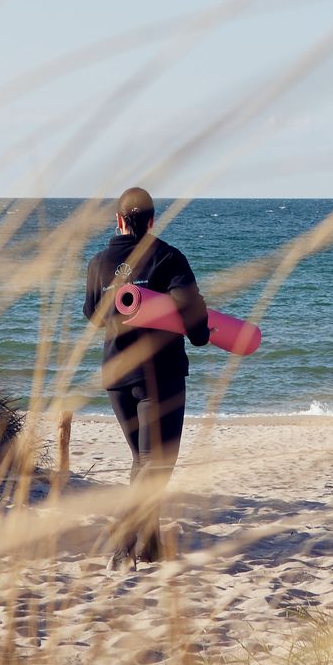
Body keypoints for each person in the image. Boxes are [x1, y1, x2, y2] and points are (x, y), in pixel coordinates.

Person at [82, 186, 209, 561]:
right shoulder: (167, 256)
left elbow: (92, 314)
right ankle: (124, 538)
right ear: (152, 221)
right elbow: (190, 306)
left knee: (143, 460)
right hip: (161, 376)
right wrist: (200, 334)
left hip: (118, 377)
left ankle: (149, 545)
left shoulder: (98, 263)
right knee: (157, 463)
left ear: (119, 220)